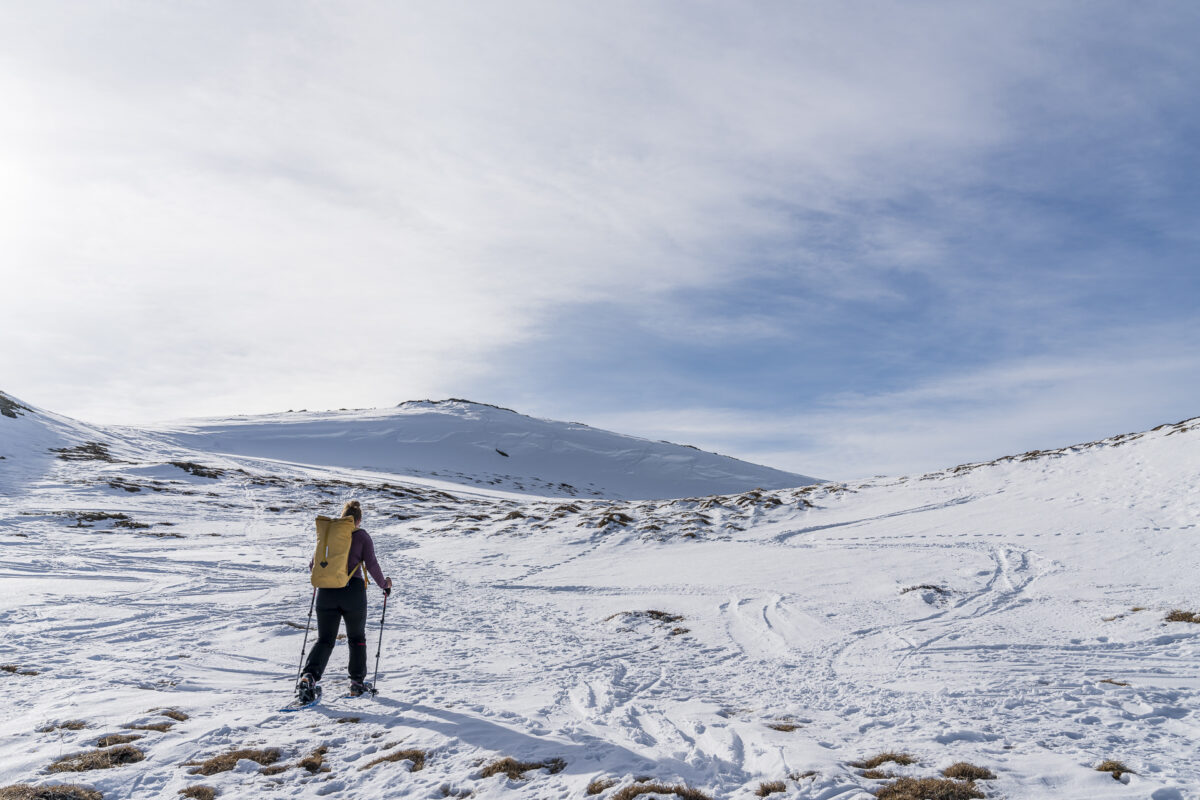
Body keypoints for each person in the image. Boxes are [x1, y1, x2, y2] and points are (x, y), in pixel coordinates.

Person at [296, 500, 392, 701]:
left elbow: (313, 564)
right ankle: (357, 683)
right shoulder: (361, 536)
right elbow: (372, 564)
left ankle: (309, 677)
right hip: (352, 592)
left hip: (326, 592)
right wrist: (384, 584)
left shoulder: (330, 535)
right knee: (356, 638)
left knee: (325, 639)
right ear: (358, 520)